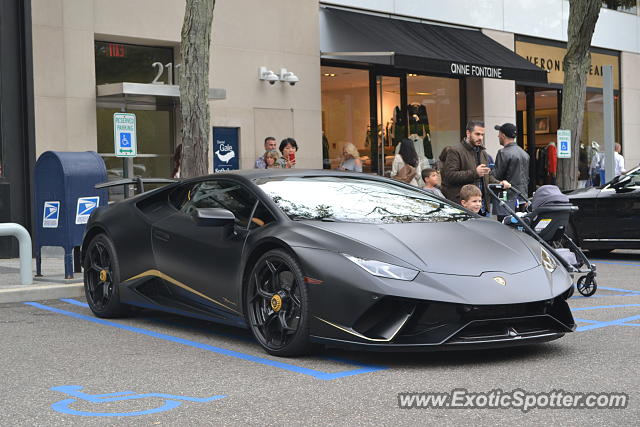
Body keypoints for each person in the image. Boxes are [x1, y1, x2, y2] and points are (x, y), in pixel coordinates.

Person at [441, 121, 510, 216]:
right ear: (468, 133)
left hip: (482, 206)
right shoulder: (455, 151)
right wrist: (475, 173)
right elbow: (449, 176)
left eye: (482, 135)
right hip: (463, 206)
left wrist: (499, 183)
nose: (480, 138)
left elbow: (487, 177)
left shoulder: (483, 153)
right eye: (477, 134)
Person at [492, 123, 530, 222]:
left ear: (503, 135)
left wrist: (489, 172)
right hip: (521, 199)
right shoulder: (524, 154)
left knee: (504, 229)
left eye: (499, 133)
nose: (497, 136)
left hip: (506, 200)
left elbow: (496, 176)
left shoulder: (503, 153)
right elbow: (526, 178)